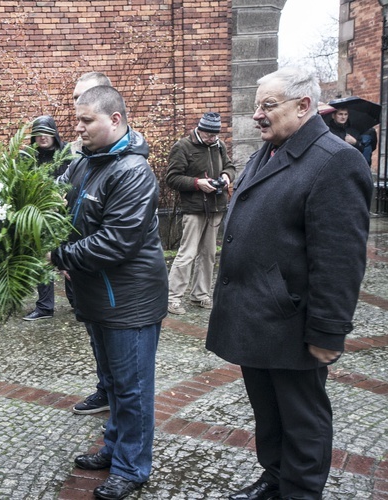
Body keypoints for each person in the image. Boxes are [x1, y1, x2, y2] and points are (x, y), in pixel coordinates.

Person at [206, 67, 372, 500]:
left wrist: (328, 332)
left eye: (267, 105)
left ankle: (299, 491)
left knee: (302, 420)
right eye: (256, 105)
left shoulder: (336, 161)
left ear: (303, 106)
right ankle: (274, 478)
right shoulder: (272, 148)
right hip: (256, 316)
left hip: (292, 322)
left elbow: (340, 259)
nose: (257, 115)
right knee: (270, 414)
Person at [50, 85, 168, 500]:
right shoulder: (85, 161)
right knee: (115, 383)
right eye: (77, 119)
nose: (77, 128)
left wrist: (57, 254)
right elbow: (54, 198)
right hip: (99, 295)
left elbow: (115, 241)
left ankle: (132, 467)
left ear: (115, 120)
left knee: (132, 386)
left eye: (86, 121)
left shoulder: (133, 172)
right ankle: (115, 446)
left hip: (129, 301)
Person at [67, 71, 114, 415]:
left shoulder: (120, 156)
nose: (77, 111)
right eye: (74, 101)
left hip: (105, 271)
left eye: (84, 101)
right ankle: (105, 386)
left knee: (113, 339)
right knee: (95, 333)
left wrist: (66, 257)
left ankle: (113, 392)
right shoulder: (79, 151)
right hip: (80, 263)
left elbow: (115, 235)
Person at [165, 112, 236, 315]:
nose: (212, 139)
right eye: (209, 135)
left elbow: (230, 166)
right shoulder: (183, 146)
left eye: (215, 135)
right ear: (200, 129)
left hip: (215, 207)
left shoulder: (219, 146)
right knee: (187, 254)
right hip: (194, 208)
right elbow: (172, 178)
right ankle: (172, 298)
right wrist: (197, 183)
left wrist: (226, 176)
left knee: (208, 254)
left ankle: (200, 295)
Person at [23, 115, 69, 321]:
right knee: (43, 261)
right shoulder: (28, 157)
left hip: (64, 215)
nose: (42, 137)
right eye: (37, 134)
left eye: (46, 133)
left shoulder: (66, 154)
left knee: (70, 258)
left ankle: (79, 302)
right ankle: (45, 307)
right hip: (39, 216)